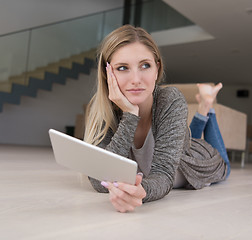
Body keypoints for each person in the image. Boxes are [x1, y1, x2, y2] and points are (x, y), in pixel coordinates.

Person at [84, 25, 230, 213]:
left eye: (145, 65)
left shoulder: (169, 99)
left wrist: (141, 191)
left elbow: (163, 174)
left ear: (157, 68)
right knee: (187, 138)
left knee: (225, 166)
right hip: (179, 144)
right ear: (108, 74)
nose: (136, 79)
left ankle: (207, 110)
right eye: (122, 68)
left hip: (199, 161)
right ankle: (204, 109)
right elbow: (98, 180)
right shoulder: (104, 109)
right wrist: (129, 115)